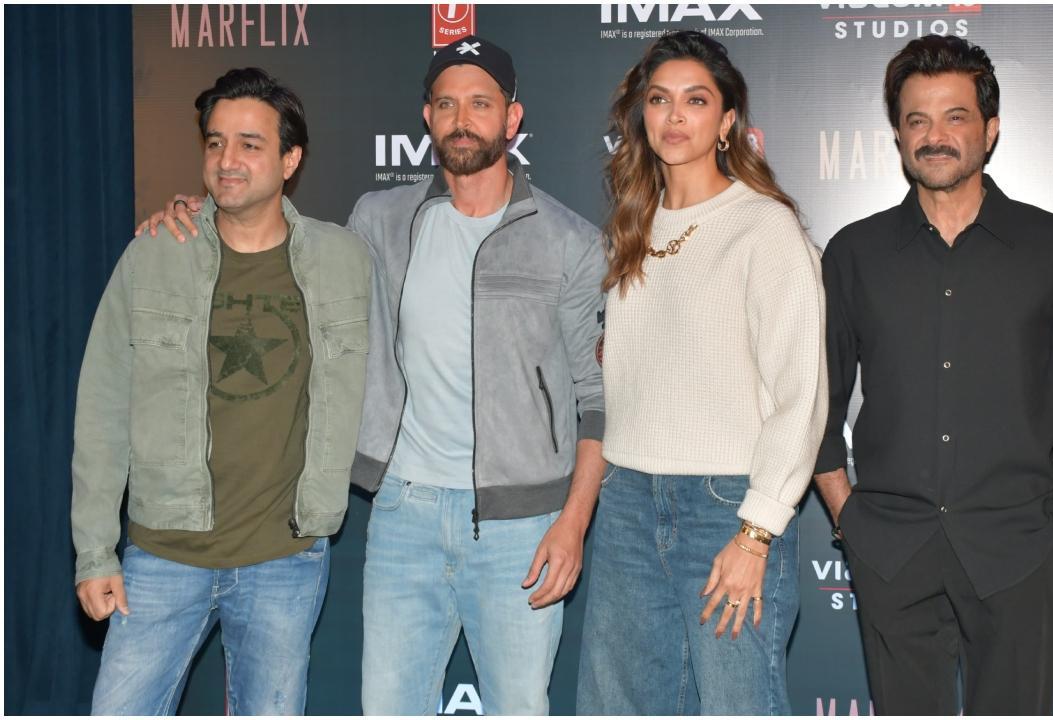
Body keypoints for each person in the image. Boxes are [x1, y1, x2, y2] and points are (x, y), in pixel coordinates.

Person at [138, 36, 606, 715]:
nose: (461, 118)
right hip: (402, 517)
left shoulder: (568, 240)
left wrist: (572, 525)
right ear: (427, 117)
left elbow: (595, 400)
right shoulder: (379, 220)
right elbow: (283, 252)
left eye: (480, 103)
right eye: (446, 103)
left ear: (512, 118)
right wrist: (203, 212)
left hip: (521, 530)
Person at [813, 35, 1053, 715]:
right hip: (891, 548)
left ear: (991, 129)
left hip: (1017, 549)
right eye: (917, 120)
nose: (935, 137)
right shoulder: (855, 253)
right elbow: (816, 404)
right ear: (898, 135)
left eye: (955, 117)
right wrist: (849, 519)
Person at [73, 67, 371, 715]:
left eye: (249, 144)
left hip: (285, 562)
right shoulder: (153, 255)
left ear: (290, 159)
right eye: (214, 143)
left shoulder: (345, 259)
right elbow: (101, 409)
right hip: (161, 557)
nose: (227, 160)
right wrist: (94, 550)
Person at [575, 30, 827, 715]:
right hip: (627, 504)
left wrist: (756, 534)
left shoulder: (764, 228)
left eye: (696, 100)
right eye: (659, 100)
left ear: (727, 121)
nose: (675, 115)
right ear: (643, 116)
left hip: (727, 509)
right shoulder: (632, 225)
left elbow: (799, 396)